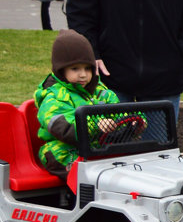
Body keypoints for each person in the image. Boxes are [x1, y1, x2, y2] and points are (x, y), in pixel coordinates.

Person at [34, 30, 120, 176]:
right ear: (61, 71)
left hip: (97, 147)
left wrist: (132, 122)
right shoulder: (53, 96)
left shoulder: (101, 92)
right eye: (75, 69)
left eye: (87, 68)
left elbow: (119, 111)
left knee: (127, 155)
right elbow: (62, 127)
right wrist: (96, 125)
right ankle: (77, 187)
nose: (83, 74)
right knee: (58, 154)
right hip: (66, 147)